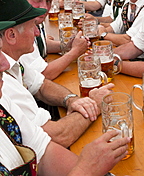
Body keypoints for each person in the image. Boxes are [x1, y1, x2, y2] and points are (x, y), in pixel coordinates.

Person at [0, 22, 129, 175]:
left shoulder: (2, 103)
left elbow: (44, 151)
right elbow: (57, 136)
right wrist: (85, 170)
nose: (5, 63)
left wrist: (71, 99)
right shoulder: (6, 86)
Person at [0, 0, 114, 148]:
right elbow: (56, 136)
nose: (37, 32)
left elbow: (41, 85)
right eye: (32, 26)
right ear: (11, 35)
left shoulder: (12, 61)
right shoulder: (4, 82)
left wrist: (72, 99)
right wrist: (95, 103)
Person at [19, 0, 87, 80]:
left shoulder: (32, 20)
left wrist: (67, 46)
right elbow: (44, 75)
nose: (45, 8)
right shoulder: (19, 29)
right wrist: (75, 51)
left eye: (48, 1)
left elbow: (41, 45)